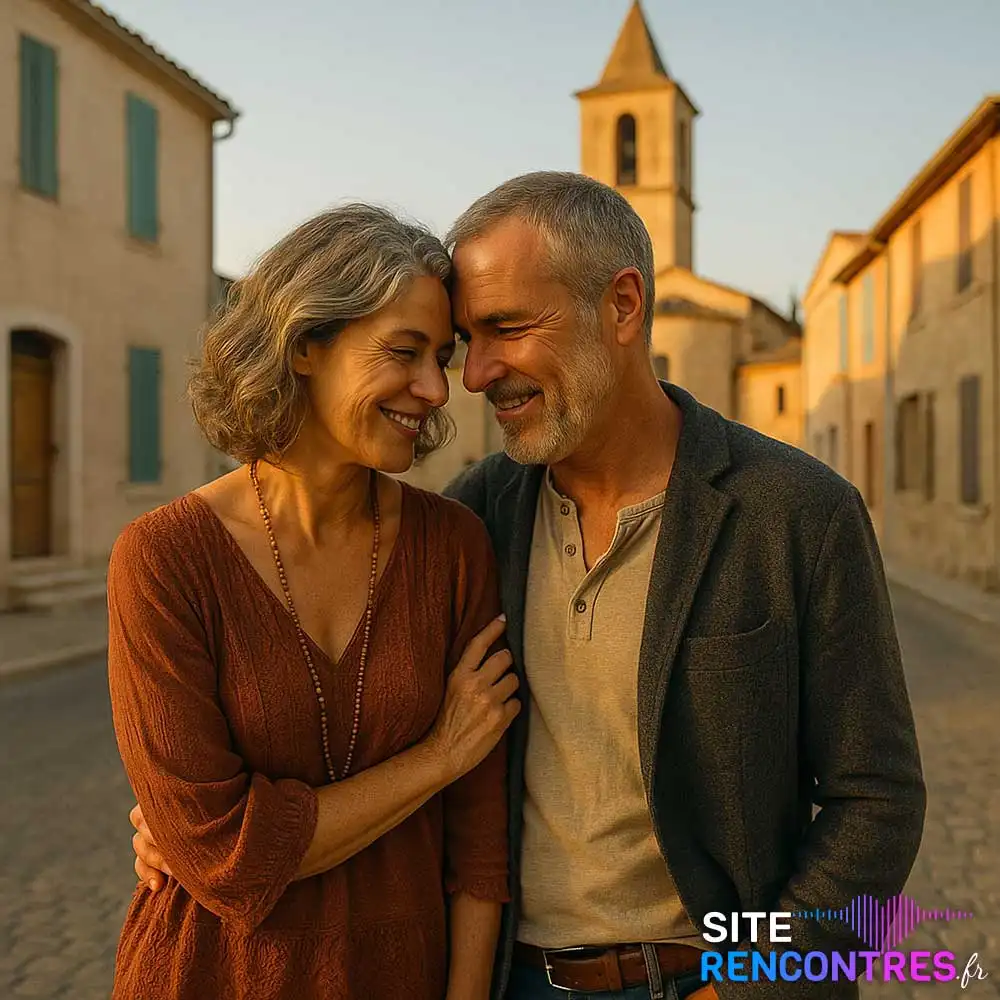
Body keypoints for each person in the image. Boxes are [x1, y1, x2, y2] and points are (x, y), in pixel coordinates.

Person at [132, 173, 927, 1000]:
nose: (472, 377)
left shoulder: (796, 510)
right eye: (462, 341)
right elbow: (371, 740)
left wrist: (748, 983)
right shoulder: (478, 517)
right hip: (519, 982)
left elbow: (877, 798)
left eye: (506, 329)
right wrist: (183, 823)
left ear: (623, 307)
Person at [106, 204, 520, 1000]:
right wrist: (437, 756)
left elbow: (479, 845)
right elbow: (224, 855)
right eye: (404, 353)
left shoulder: (454, 546)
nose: (436, 389)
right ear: (303, 346)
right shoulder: (163, 559)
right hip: (207, 976)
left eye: (443, 355)